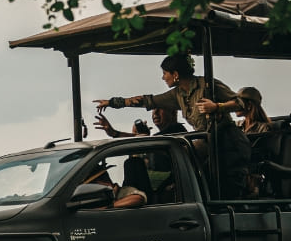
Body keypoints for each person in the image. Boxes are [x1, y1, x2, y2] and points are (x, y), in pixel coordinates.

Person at [94, 54, 251, 199]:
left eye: (165, 73)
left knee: (228, 190)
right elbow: (148, 101)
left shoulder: (207, 84)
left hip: (228, 144)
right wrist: (112, 102)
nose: (163, 77)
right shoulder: (177, 94)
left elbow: (240, 103)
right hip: (207, 144)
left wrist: (217, 106)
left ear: (175, 74)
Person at [94, 106, 186, 138]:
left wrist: (139, 137)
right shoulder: (159, 137)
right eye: (153, 108)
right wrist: (139, 135)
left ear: (173, 113)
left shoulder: (177, 129)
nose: (155, 112)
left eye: (160, 108)